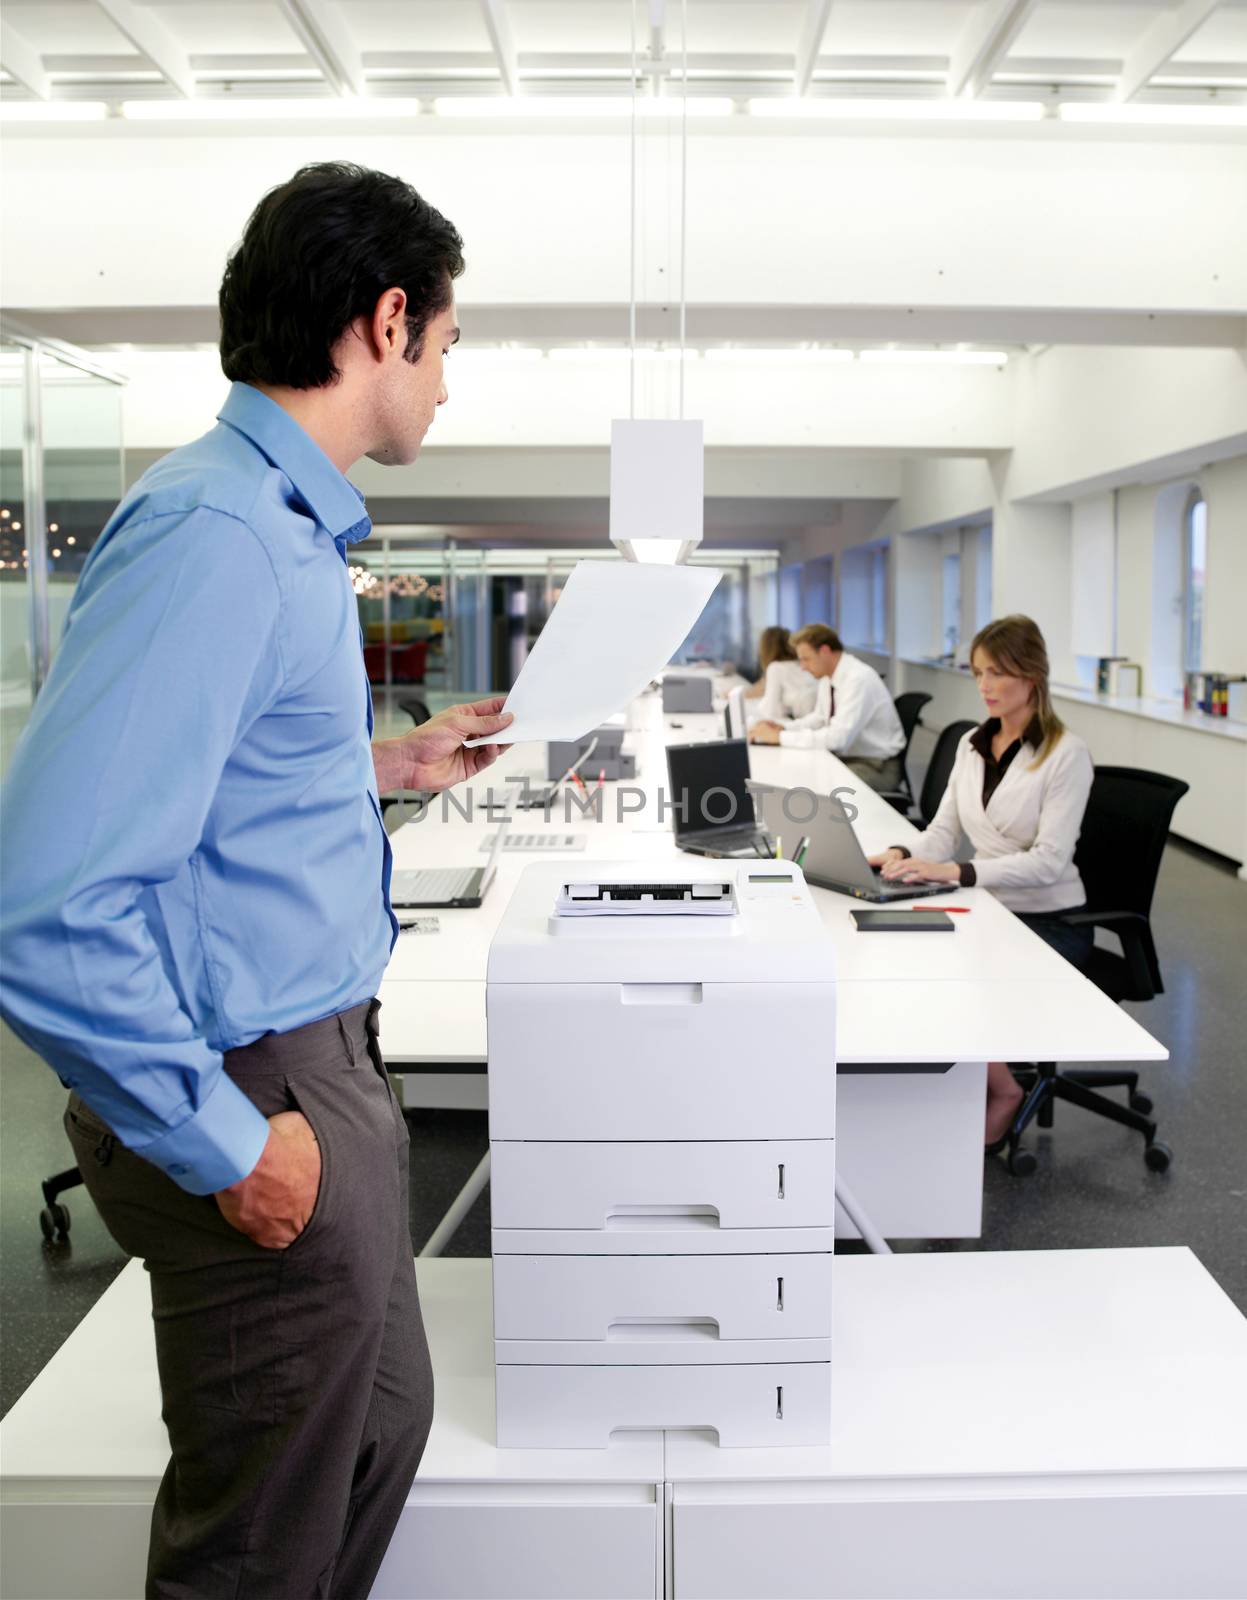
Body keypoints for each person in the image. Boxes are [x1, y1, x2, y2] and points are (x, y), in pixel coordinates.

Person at [0, 162, 512, 1599]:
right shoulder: (218, 533)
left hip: (321, 1060)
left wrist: (381, 768)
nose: (448, 385)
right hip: (256, 1083)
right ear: (386, 320)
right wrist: (231, 1145)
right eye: (449, 346)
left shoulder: (279, 526)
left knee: (377, 1429)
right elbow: (45, 906)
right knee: (255, 1546)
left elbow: (226, 786)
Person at [868, 615, 1094, 1147]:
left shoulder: (1066, 754)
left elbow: (1048, 863)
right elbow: (942, 833)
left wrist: (956, 873)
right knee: (907, 951)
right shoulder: (974, 743)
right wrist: (898, 854)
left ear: (1032, 675)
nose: (985, 686)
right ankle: (963, 1085)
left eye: (998, 673)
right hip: (990, 905)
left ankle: (1004, 1090)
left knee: (952, 972)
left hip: (1047, 917)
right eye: (978, 673)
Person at [749, 623, 905, 792]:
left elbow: (838, 739)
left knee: (819, 788)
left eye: (806, 659)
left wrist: (780, 737)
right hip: (851, 758)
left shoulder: (858, 679)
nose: (802, 667)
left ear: (824, 651)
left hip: (876, 767)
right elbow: (819, 719)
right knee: (796, 774)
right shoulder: (828, 677)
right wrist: (783, 727)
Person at [744, 625, 818, 722]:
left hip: (801, 724)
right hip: (808, 721)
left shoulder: (776, 668)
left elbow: (770, 711)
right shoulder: (799, 664)